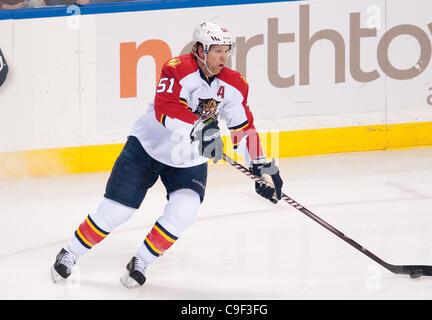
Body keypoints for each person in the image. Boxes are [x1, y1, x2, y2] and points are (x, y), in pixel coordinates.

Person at [50, 21, 284, 288]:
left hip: (188, 158)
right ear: (199, 49)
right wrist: (200, 128)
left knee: (185, 210)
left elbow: (242, 127)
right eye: (217, 50)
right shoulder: (177, 69)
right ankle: (70, 252)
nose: (224, 57)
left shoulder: (234, 85)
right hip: (148, 147)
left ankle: (141, 261)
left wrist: (261, 164)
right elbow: (166, 109)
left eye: (226, 51)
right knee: (116, 211)